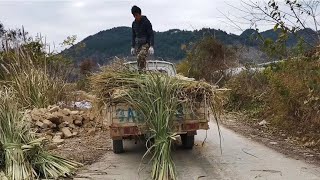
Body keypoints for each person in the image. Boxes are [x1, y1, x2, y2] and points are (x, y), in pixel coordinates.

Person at [130, 5, 154, 71]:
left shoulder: (146, 22)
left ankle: (141, 72)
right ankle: (142, 74)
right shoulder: (134, 24)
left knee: (139, 57)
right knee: (141, 61)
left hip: (146, 44)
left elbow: (151, 34)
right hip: (138, 45)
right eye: (134, 16)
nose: (135, 17)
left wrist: (151, 46)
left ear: (140, 14)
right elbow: (133, 35)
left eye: (136, 15)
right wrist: (132, 46)